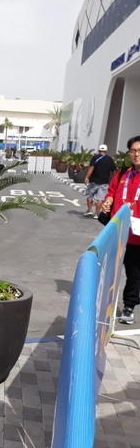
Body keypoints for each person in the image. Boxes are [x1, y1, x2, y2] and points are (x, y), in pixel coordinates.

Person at [102, 136, 140, 324]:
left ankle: (129, 307)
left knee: (134, 274)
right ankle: (106, 304)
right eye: (133, 151)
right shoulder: (123, 173)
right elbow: (112, 190)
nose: (136, 154)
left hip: (136, 237)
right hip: (117, 233)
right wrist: (108, 201)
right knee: (110, 270)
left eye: (139, 151)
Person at [84, 144, 116, 218]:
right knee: (100, 198)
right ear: (106, 151)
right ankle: (96, 214)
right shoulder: (110, 159)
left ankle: (89, 210)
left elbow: (91, 167)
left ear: (98, 150)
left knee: (89, 195)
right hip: (104, 182)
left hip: (93, 181)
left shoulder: (95, 158)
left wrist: (87, 177)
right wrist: (114, 178)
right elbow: (114, 170)